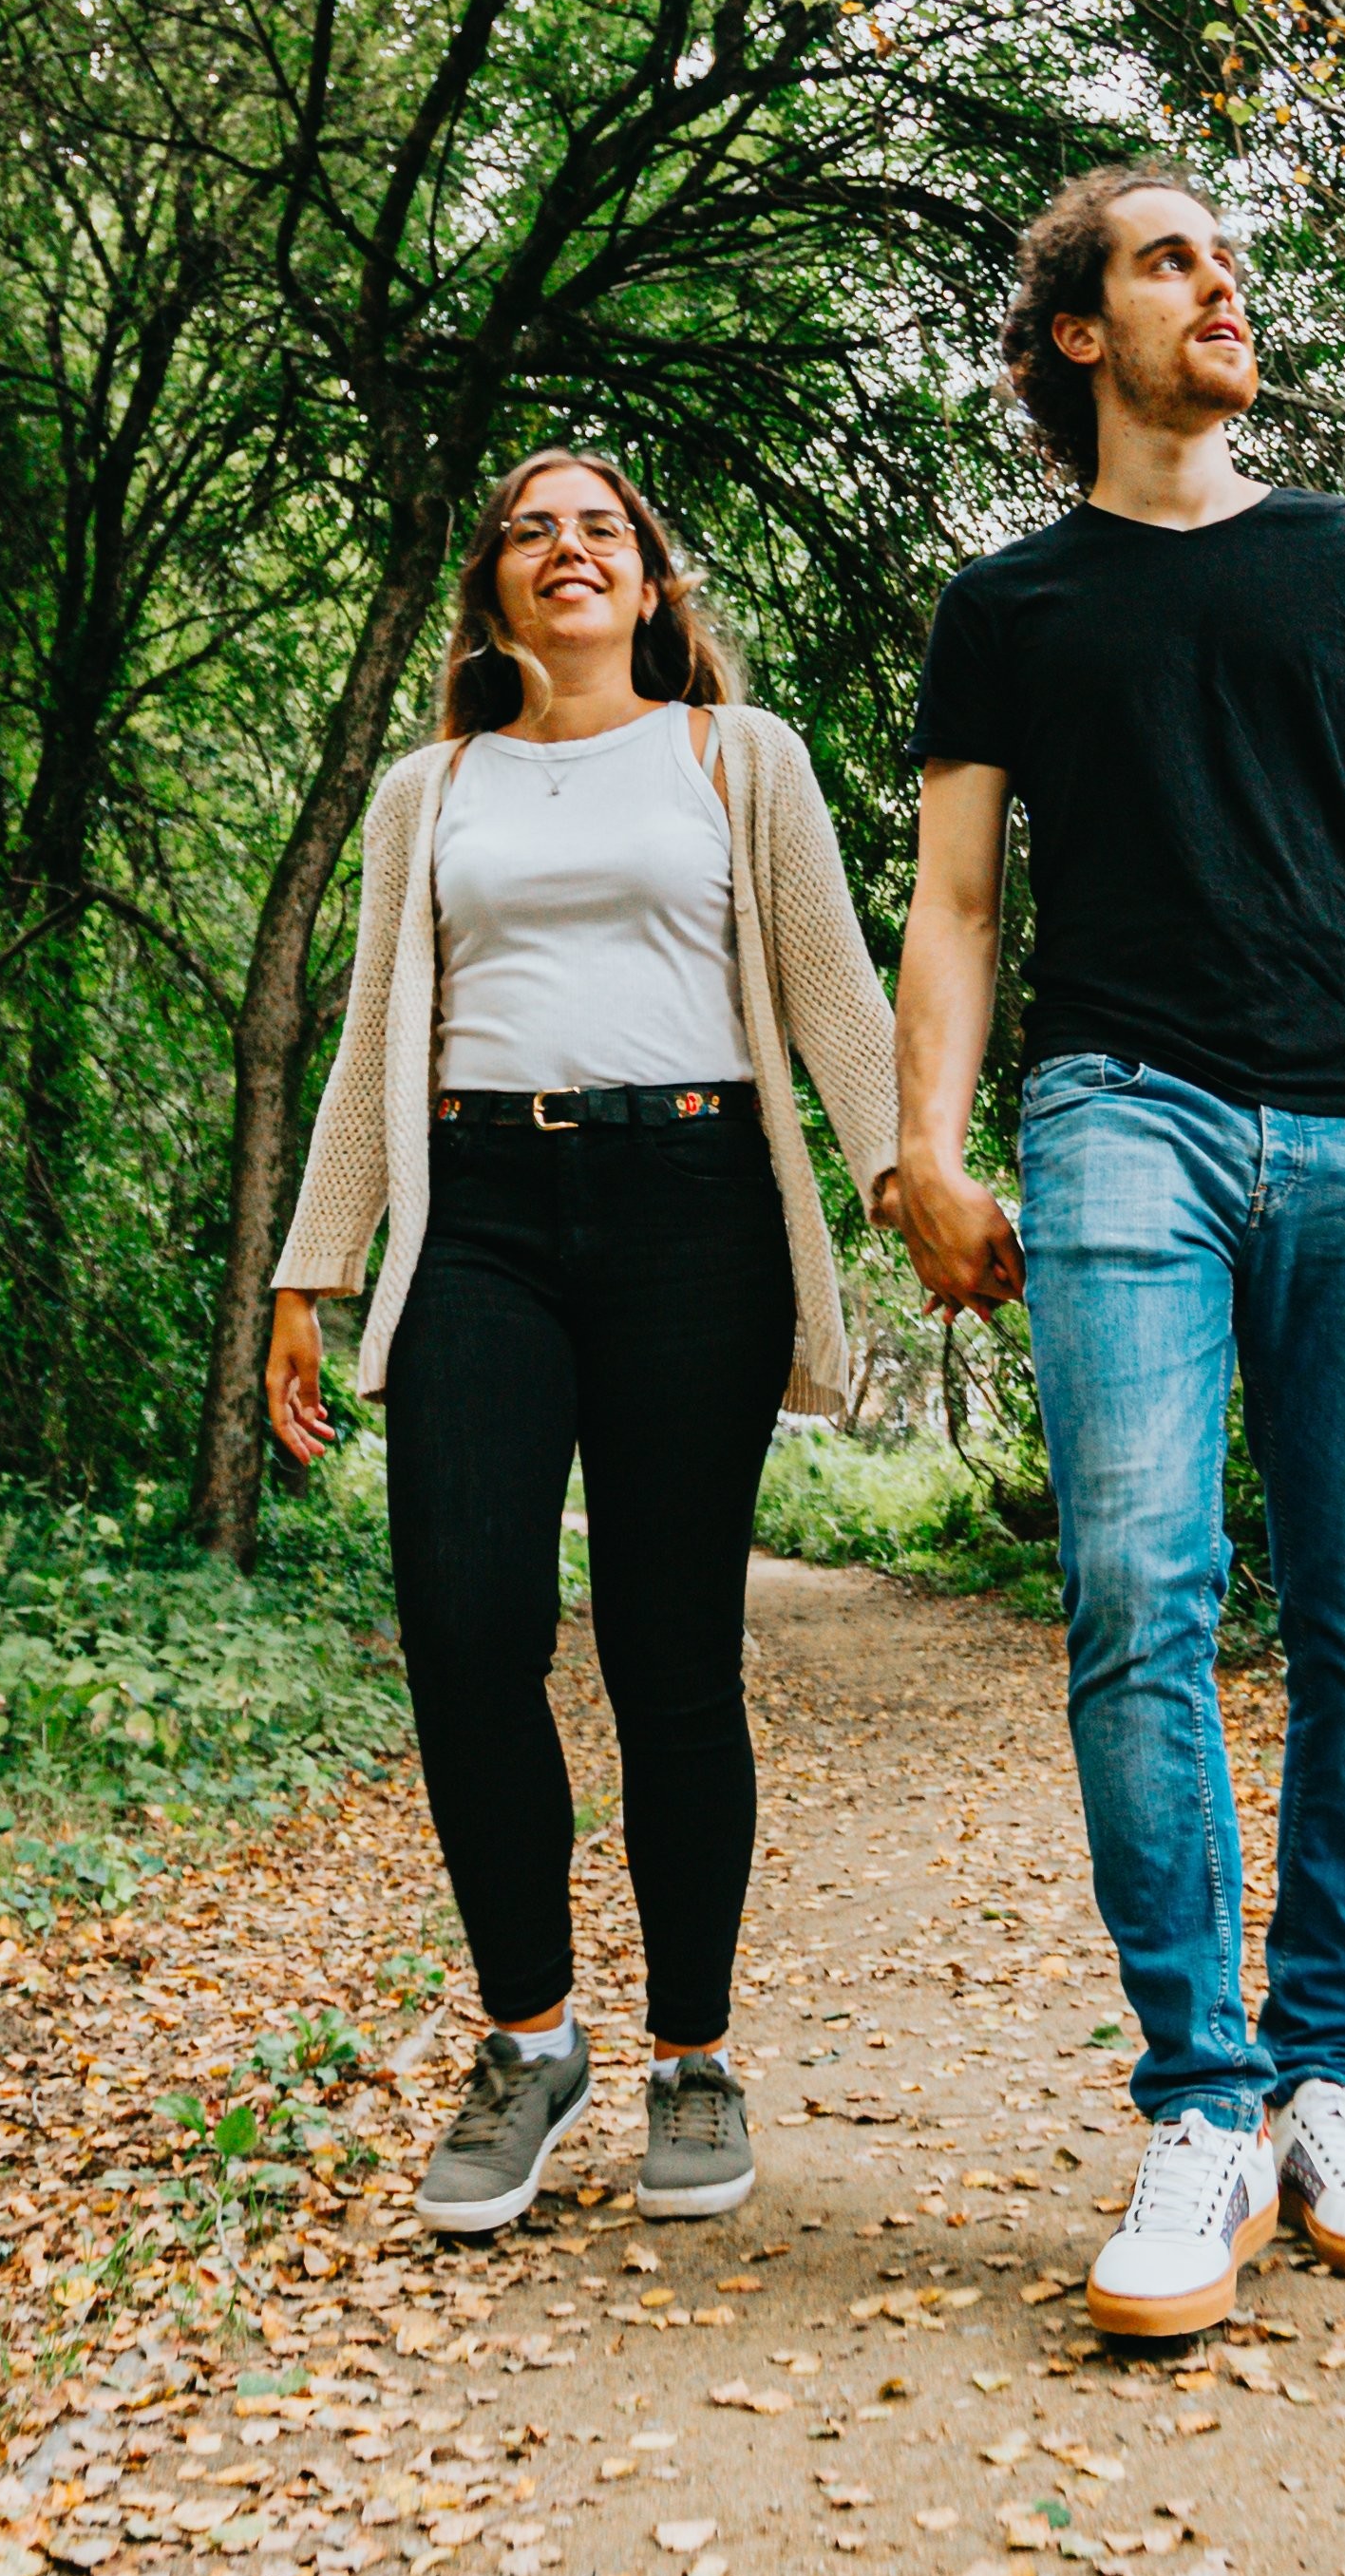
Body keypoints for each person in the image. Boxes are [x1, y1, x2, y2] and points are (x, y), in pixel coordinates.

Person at [889, 165, 1345, 2337]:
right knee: (1141, 1587)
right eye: (1165, 258)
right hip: (1122, 1116)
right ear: (1075, 335)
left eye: (1225, 256)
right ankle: (1200, 2105)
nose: (1218, 283)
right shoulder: (1005, 605)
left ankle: (1330, 2077)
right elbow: (953, 903)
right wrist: (926, 1148)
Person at [268, 447, 903, 2234]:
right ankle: (529, 2036)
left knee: (667, 1644)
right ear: (492, 591)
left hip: (695, 1208)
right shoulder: (430, 787)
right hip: (479, 1218)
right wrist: (311, 1270)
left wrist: (900, 1180)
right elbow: (379, 1031)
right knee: (466, 1624)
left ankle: (692, 2055)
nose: (567, 549)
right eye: (531, 529)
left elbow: (832, 986)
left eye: (601, 528)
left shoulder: (734, 753)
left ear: (649, 580)